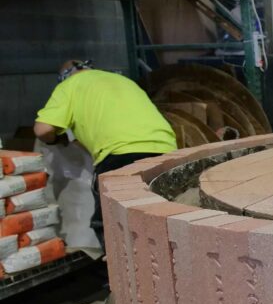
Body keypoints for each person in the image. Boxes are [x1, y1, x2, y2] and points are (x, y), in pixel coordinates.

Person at [34, 60, 177, 230]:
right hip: (167, 150)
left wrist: (55, 140)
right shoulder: (123, 80)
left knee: (112, 227)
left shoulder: (70, 85)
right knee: (163, 220)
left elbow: (43, 130)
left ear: (64, 77)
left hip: (121, 156)